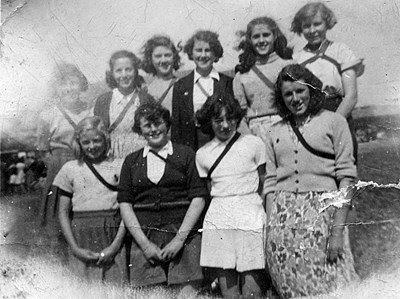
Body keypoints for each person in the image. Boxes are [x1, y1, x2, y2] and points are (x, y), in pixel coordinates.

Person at [264, 64, 359, 298]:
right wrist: (270, 231)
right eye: (288, 93)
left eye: (300, 90)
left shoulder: (335, 122)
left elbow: (346, 177)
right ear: (281, 98)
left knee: (332, 285)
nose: (295, 98)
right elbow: (270, 183)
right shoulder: (274, 131)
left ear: (312, 90)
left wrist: (336, 233)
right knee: (290, 287)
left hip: (322, 217)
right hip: (283, 222)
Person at [117, 102, 207, 295]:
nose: (154, 129)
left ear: (167, 124)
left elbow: (198, 198)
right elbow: (125, 204)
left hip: (183, 235)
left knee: (187, 293)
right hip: (145, 237)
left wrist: (178, 241)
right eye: (147, 126)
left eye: (158, 123)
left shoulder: (185, 154)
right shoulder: (131, 161)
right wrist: (145, 245)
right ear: (139, 130)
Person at [195, 93, 267, 298]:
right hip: (220, 217)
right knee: (229, 288)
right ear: (209, 121)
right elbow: (210, 189)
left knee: (253, 286)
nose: (225, 125)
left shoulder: (253, 143)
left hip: (250, 213)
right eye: (218, 120)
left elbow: (265, 182)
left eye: (230, 118)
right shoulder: (203, 154)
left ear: (237, 117)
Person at [53, 116, 127, 284]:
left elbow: (127, 211)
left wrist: (115, 246)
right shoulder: (70, 168)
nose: (92, 146)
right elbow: (63, 213)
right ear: (79, 142)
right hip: (81, 235)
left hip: (112, 233)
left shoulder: (120, 165)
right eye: (86, 142)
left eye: (97, 140)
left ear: (106, 139)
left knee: (115, 286)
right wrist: (75, 248)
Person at [291, 2, 364, 159]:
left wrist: (332, 125)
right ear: (300, 28)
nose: (312, 30)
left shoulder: (340, 50)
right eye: (306, 26)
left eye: (317, 24)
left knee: (344, 169)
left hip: (339, 114)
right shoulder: (296, 59)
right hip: (309, 118)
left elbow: (351, 96)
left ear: (327, 23)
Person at [36, 63, 92, 239]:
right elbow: (42, 148)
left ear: (81, 85)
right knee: (57, 217)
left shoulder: (90, 110)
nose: (69, 89)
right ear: (56, 88)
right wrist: (55, 165)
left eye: (73, 83)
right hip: (59, 165)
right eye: (63, 84)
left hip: (85, 163)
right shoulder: (48, 114)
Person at [171, 30, 233, 151]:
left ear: (215, 53)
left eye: (208, 50)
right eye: (198, 50)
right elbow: (176, 128)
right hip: (192, 145)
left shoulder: (227, 82)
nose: (203, 55)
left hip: (221, 142)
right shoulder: (181, 86)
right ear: (191, 53)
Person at [233, 16, 292, 141]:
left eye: (266, 35)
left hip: (287, 126)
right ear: (249, 40)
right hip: (256, 131)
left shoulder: (289, 66)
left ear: (275, 36)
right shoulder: (242, 75)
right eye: (256, 36)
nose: (261, 40)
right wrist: (250, 140)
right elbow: (239, 116)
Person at [94, 50, 154, 159]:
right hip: (113, 158)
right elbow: (98, 135)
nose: (124, 75)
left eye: (128, 69)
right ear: (112, 73)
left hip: (142, 157)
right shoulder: (103, 101)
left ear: (135, 71)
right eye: (118, 70)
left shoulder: (146, 99)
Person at [142, 35, 181, 112]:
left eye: (167, 55)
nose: (163, 60)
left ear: (174, 57)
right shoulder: (147, 90)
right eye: (158, 56)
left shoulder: (183, 85)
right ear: (150, 59)